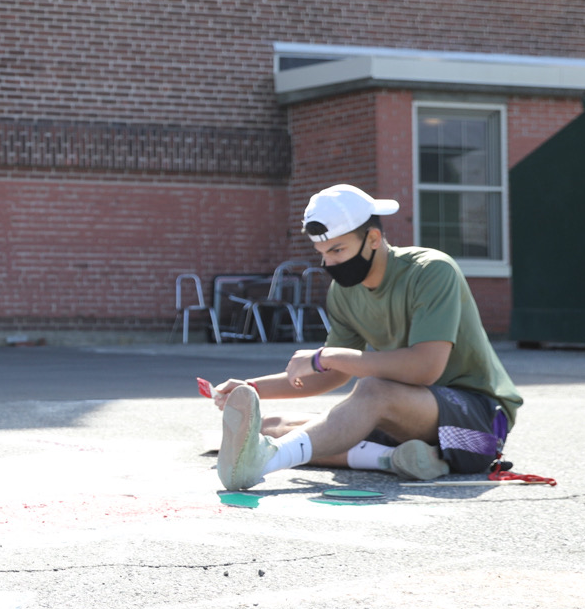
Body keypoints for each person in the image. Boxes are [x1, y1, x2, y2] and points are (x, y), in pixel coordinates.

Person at [210, 183, 522, 489]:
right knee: (271, 426)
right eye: (322, 253)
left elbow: (426, 368)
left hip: (479, 426)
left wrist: (326, 356)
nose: (329, 264)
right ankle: (393, 459)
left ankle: (263, 463)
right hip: (408, 412)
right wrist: (250, 388)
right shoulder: (343, 292)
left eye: (337, 250)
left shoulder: (431, 271)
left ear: (373, 238)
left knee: (373, 391)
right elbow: (332, 374)